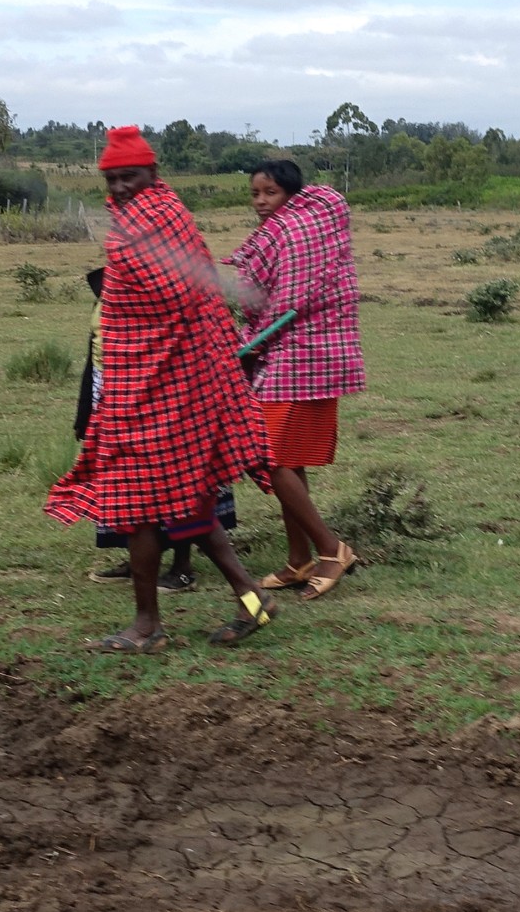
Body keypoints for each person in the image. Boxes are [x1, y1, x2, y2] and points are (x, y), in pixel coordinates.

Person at [45, 126, 274, 653]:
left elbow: (169, 300)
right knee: (187, 498)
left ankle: (147, 626)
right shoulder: (164, 210)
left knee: (134, 501)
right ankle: (252, 596)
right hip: (178, 377)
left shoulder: (147, 221)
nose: (122, 187)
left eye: (131, 176)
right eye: (113, 178)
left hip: (162, 382)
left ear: (152, 173)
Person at [226, 158, 363, 600]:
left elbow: (286, 304)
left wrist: (247, 344)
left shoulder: (298, 232)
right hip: (297, 355)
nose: (261, 202)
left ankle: (331, 549)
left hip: (304, 354)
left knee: (269, 457)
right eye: (255, 194)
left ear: (291, 194)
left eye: (271, 193)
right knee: (288, 459)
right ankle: (298, 559)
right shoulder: (287, 230)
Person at [74, 266, 235, 592]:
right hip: (112, 388)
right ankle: (141, 563)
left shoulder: (173, 282)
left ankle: (183, 568)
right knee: (128, 486)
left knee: (176, 486)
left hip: (159, 393)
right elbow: (97, 345)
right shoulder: (114, 281)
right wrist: (87, 408)